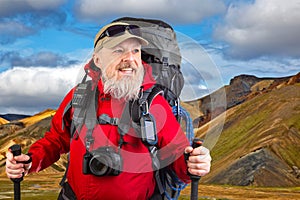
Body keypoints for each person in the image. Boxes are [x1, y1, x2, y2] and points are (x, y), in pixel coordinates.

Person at [6, 20, 211, 200]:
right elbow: (55, 140)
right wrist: (29, 162)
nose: (129, 58)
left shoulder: (154, 102)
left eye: (135, 51)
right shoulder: (79, 96)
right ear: (98, 60)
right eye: (118, 50)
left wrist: (194, 163)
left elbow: (177, 157)